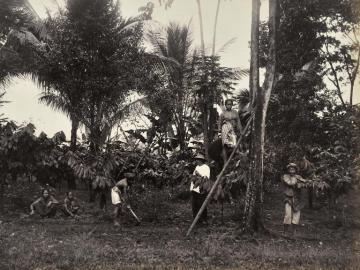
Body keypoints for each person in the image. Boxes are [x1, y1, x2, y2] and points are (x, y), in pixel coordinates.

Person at [282, 163, 308, 234]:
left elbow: (305, 183)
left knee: (296, 214)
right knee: (288, 214)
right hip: (288, 197)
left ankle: (294, 231)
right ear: (288, 170)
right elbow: (290, 183)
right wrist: (298, 179)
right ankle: (285, 231)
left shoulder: (298, 176)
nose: (292, 169)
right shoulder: (285, 176)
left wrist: (307, 181)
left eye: (293, 168)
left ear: (296, 170)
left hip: (297, 198)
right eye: (290, 168)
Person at [218, 99, 243, 163]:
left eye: (230, 104)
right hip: (225, 130)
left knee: (235, 144)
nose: (229, 105)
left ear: (232, 105)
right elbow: (220, 123)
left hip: (233, 130)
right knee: (225, 145)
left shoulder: (235, 112)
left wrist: (240, 130)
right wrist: (219, 132)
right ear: (225, 105)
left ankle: (235, 159)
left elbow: (238, 122)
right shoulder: (223, 114)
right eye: (227, 104)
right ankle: (225, 162)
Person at [190, 153, 211, 224]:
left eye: (197, 160)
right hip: (195, 189)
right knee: (194, 205)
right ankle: (196, 220)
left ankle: (204, 219)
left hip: (201, 189)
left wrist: (198, 175)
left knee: (201, 204)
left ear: (201, 160)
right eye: (196, 160)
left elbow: (206, 178)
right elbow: (193, 177)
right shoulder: (197, 167)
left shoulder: (206, 167)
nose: (196, 161)